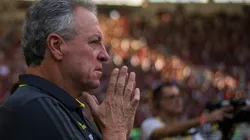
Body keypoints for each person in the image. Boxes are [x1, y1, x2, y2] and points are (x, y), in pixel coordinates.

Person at [0, 0, 140, 140]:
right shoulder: (32, 109)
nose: (105, 55)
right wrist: (116, 133)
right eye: (94, 42)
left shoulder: (55, 107)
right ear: (57, 46)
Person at [141, 82, 233, 140]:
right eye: (172, 97)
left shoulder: (191, 130)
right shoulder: (149, 124)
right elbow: (166, 131)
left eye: (179, 96)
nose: (178, 100)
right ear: (158, 102)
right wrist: (204, 119)